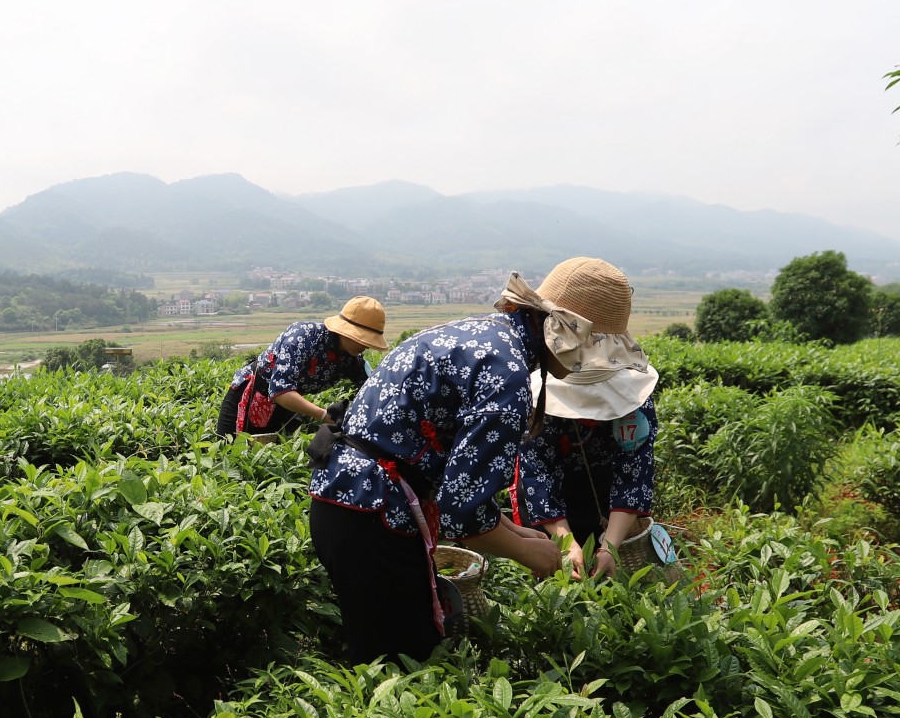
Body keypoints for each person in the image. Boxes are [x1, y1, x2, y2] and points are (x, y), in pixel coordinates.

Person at [307, 270, 650, 665]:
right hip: (370, 515)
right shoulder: (507, 374)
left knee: (385, 646)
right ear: (566, 332)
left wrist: (516, 531)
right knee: (400, 664)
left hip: (350, 502)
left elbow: (461, 478)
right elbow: (461, 512)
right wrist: (529, 553)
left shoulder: (488, 336)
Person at [511, 258, 660, 579]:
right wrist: (564, 541)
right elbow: (537, 472)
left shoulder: (634, 400)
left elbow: (634, 473)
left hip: (604, 495)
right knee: (550, 576)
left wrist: (610, 546)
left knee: (603, 577)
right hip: (550, 501)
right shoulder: (538, 396)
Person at [216, 297, 385, 436]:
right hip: (251, 395)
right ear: (346, 330)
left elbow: (375, 389)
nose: (366, 345)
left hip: (288, 406)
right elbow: (280, 391)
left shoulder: (352, 359)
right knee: (231, 450)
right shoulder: (303, 336)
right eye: (362, 339)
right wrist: (323, 415)